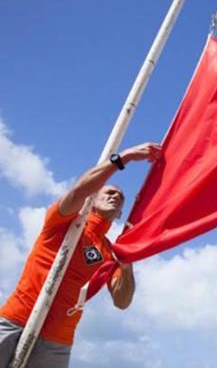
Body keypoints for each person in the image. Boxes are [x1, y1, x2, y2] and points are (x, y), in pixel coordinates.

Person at [0, 142, 161, 368]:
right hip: (15, 320)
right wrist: (122, 158)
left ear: (120, 213)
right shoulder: (63, 223)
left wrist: (128, 265)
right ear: (92, 200)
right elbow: (77, 192)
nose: (116, 196)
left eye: (120, 197)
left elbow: (122, 301)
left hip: (57, 342)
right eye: (109, 192)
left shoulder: (110, 253)